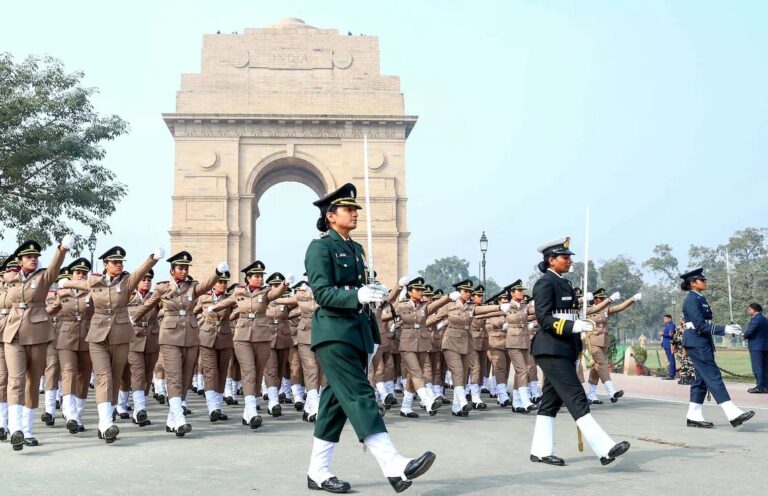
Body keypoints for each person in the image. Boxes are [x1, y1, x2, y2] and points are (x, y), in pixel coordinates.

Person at [304, 183, 435, 494]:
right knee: (361, 394)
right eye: (349, 209)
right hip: (333, 333)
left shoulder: (356, 249)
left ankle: (318, 471)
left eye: (355, 209)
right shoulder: (320, 248)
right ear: (331, 216)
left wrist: (372, 327)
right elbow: (322, 292)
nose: (355, 213)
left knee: (334, 404)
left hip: (356, 333)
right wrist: (356, 295)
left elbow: (364, 300)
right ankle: (393, 464)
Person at [529, 237, 630, 466]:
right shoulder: (545, 283)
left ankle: (541, 451)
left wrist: (578, 325)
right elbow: (544, 319)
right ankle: (604, 448)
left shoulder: (563, 283)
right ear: (551, 260)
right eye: (565, 257)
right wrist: (573, 326)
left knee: (550, 402)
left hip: (565, 348)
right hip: (551, 349)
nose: (569, 260)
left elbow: (569, 314)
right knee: (576, 397)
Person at [62, 245, 161, 443]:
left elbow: (140, 272)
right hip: (97, 336)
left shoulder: (126, 282)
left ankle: (107, 417)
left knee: (115, 377)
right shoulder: (94, 281)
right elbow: (78, 284)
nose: (119, 265)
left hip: (121, 335)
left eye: (121, 262)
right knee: (104, 377)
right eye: (115, 262)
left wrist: (152, 258)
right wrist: (65, 282)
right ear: (106, 264)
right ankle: (106, 422)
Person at [132, 251, 227, 437]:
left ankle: (172, 418)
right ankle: (180, 419)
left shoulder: (192, 287)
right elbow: (147, 306)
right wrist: (131, 318)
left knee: (186, 378)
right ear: (172, 270)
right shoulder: (162, 288)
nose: (184, 271)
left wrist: (217, 272)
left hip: (191, 337)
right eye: (180, 268)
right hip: (169, 338)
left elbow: (207, 285)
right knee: (174, 376)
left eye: (186, 268)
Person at [3, 236, 73, 451]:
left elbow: (55, 267)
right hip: (13, 334)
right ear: (20, 260)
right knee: (15, 380)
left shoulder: (44, 277)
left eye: (35, 257)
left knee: (32, 382)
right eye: (28, 257)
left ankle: (28, 429)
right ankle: (15, 429)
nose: (33, 259)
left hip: (37, 334)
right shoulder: (11, 278)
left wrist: (62, 249)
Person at [207, 260, 290, 430]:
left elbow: (277, 294)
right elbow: (228, 302)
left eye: (261, 276)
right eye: (257, 276)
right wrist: (213, 308)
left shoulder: (266, 292)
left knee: (258, 372)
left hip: (262, 337)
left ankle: (247, 411)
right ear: (248, 278)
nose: (260, 279)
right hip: (242, 337)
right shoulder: (239, 292)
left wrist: (285, 284)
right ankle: (252, 411)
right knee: (249, 371)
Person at [679, 268, 755, 428]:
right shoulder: (692, 299)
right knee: (713, 376)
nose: (705, 281)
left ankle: (693, 415)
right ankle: (732, 412)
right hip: (696, 342)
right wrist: (723, 329)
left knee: (701, 380)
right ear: (693, 283)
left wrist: (724, 333)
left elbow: (705, 324)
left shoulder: (700, 298)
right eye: (702, 280)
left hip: (701, 341)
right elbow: (699, 325)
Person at [49, 258, 94, 433]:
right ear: (71, 275)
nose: (81, 276)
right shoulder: (62, 293)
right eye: (78, 273)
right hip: (65, 338)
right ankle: (71, 414)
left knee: (84, 375)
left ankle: (79, 415)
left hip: (87, 337)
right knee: (68, 373)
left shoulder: (92, 293)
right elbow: (49, 310)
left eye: (84, 273)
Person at [584, 288, 641, 404]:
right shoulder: (586, 310)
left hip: (604, 342)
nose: (602, 300)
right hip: (592, 341)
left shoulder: (605, 309)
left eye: (603, 298)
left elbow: (620, 307)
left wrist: (633, 299)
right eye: (600, 299)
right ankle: (612, 392)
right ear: (594, 300)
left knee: (597, 369)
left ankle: (592, 395)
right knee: (602, 364)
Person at [194, 270, 235, 421]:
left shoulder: (231, 299)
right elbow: (193, 312)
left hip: (224, 337)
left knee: (222, 371)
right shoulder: (204, 298)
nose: (223, 285)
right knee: (211, 372)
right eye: (220, 282)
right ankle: (212, 408)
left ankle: (218, 406)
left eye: (225, 282)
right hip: (206, 337)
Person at [125, 269, 160, 427]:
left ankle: (140, 410)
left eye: (149, 279)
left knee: (147, 374)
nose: (146, 281)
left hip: (152, 338)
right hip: (134, 338)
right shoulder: (130, 296)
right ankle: (139, 409)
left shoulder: (155, 297)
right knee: (138, 373)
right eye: (143, 279)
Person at [743, 303, 768, 393]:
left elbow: (749, 332)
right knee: (765, 367)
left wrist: (744, 335)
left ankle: (759, 386)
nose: (748, 311)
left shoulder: (755, 319)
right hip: (765, 347)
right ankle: (765, 387)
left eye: (749, 309)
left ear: (754, 310)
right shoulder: (765, 319)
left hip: (756, 347)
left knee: (757, 367)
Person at [660, 314, 677, 380]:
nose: (664, 320)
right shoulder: (667, 326)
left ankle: (671, 375)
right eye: (664, 319)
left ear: (670, 319)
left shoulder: (671, 325)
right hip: (666, 344)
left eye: (665, 319)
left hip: (669, 344)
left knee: (671, 360)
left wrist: (663, 334)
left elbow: (671, 335)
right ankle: (671, 373)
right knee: (670, 360)